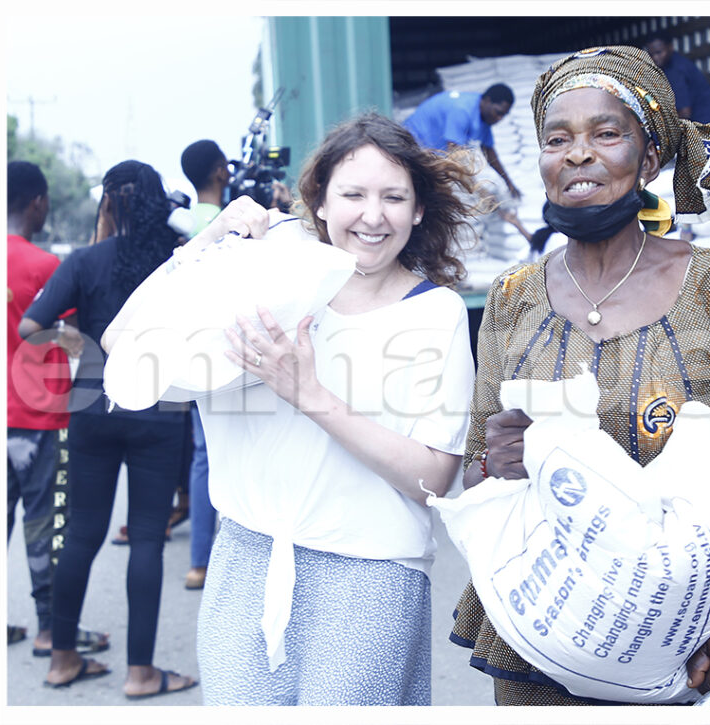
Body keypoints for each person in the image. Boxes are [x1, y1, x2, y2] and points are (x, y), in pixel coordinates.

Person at [451, 45, 710, 707]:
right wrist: (498, 465)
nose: (578, 154)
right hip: (548, 641)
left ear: (649, 159)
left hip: (694, 644)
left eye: (606, 133)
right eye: (557, 139)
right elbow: (479, 477)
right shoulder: (511, 296)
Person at [152, 113, 477, 705]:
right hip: (246, 562)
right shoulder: (263, 286)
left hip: (370, 577)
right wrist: (207, 240)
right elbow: (128, 348)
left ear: (418, 210)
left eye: (394, 197)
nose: (373, 216)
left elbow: (434, 476)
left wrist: (311, 396)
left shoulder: (437, 313)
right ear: (320, 202)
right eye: (353, 195)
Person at [20, 160, 197, 698]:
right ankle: (141, 673)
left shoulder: (85, 260)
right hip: (159, 408)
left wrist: (81, 343)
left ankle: (62, 659)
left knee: (81, 534)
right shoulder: (177, 261)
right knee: (146, 538)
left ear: (108, 203)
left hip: (92, 405)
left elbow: (30, 326)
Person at [6, 161, 112, 657]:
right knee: (46, 524)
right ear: (38, 202)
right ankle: (50, 629)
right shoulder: (44, 266)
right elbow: (75, 337)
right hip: (38, 415)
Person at [178, 138, 230, 590]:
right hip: (232, 352)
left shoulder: (181, 224)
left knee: (202, 456)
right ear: (219, 171)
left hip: (194, 351)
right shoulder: (233, 222)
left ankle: (198, 562)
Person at [403, 83, 521, 199]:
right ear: (488, 101)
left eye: (504, 115)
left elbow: (489, 152)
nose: (500, 118)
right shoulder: (462, 110)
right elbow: (455, 156)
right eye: (498, 112)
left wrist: (509, 183)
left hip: (430, 151)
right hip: (411, 146)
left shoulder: (484, 116)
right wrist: (478, 190)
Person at [644, 32, 710, 147]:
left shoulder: (676, 71)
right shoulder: (675, 66)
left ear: (670, 47)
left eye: (659, 52)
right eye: (651, 55)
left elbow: (684, 113)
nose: (655, 58)